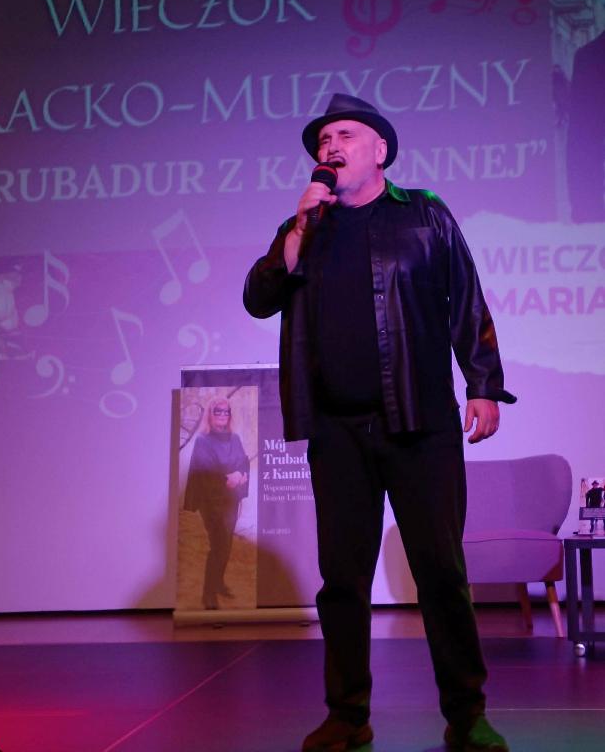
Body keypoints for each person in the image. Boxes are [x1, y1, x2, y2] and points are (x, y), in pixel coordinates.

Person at [243, 94, 517, 752]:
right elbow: (257, 298)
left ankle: (467, 714)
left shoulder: (423, 213)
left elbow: (466, 299)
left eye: (344, 135)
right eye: (323, 140)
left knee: (441, 573)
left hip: (420, 424)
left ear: (380, 151)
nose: (330, 147)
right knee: (342, 580)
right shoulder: (304, 226)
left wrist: (483, 384)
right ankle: (347, 715)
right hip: (336, 430)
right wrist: (297, 233)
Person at [183, 396, 249, 609]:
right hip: (210, 502)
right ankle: (208, 594)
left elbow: (243, 461)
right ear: (210, 415)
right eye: (217, 411)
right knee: (218, 545)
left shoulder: (235, 439)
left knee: (226, 544)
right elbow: (204, 472)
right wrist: (227, 479)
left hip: (230, 500)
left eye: (225, 411)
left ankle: (219, 583)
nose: (222, 414)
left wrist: (241, 474)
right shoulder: (203, 441)